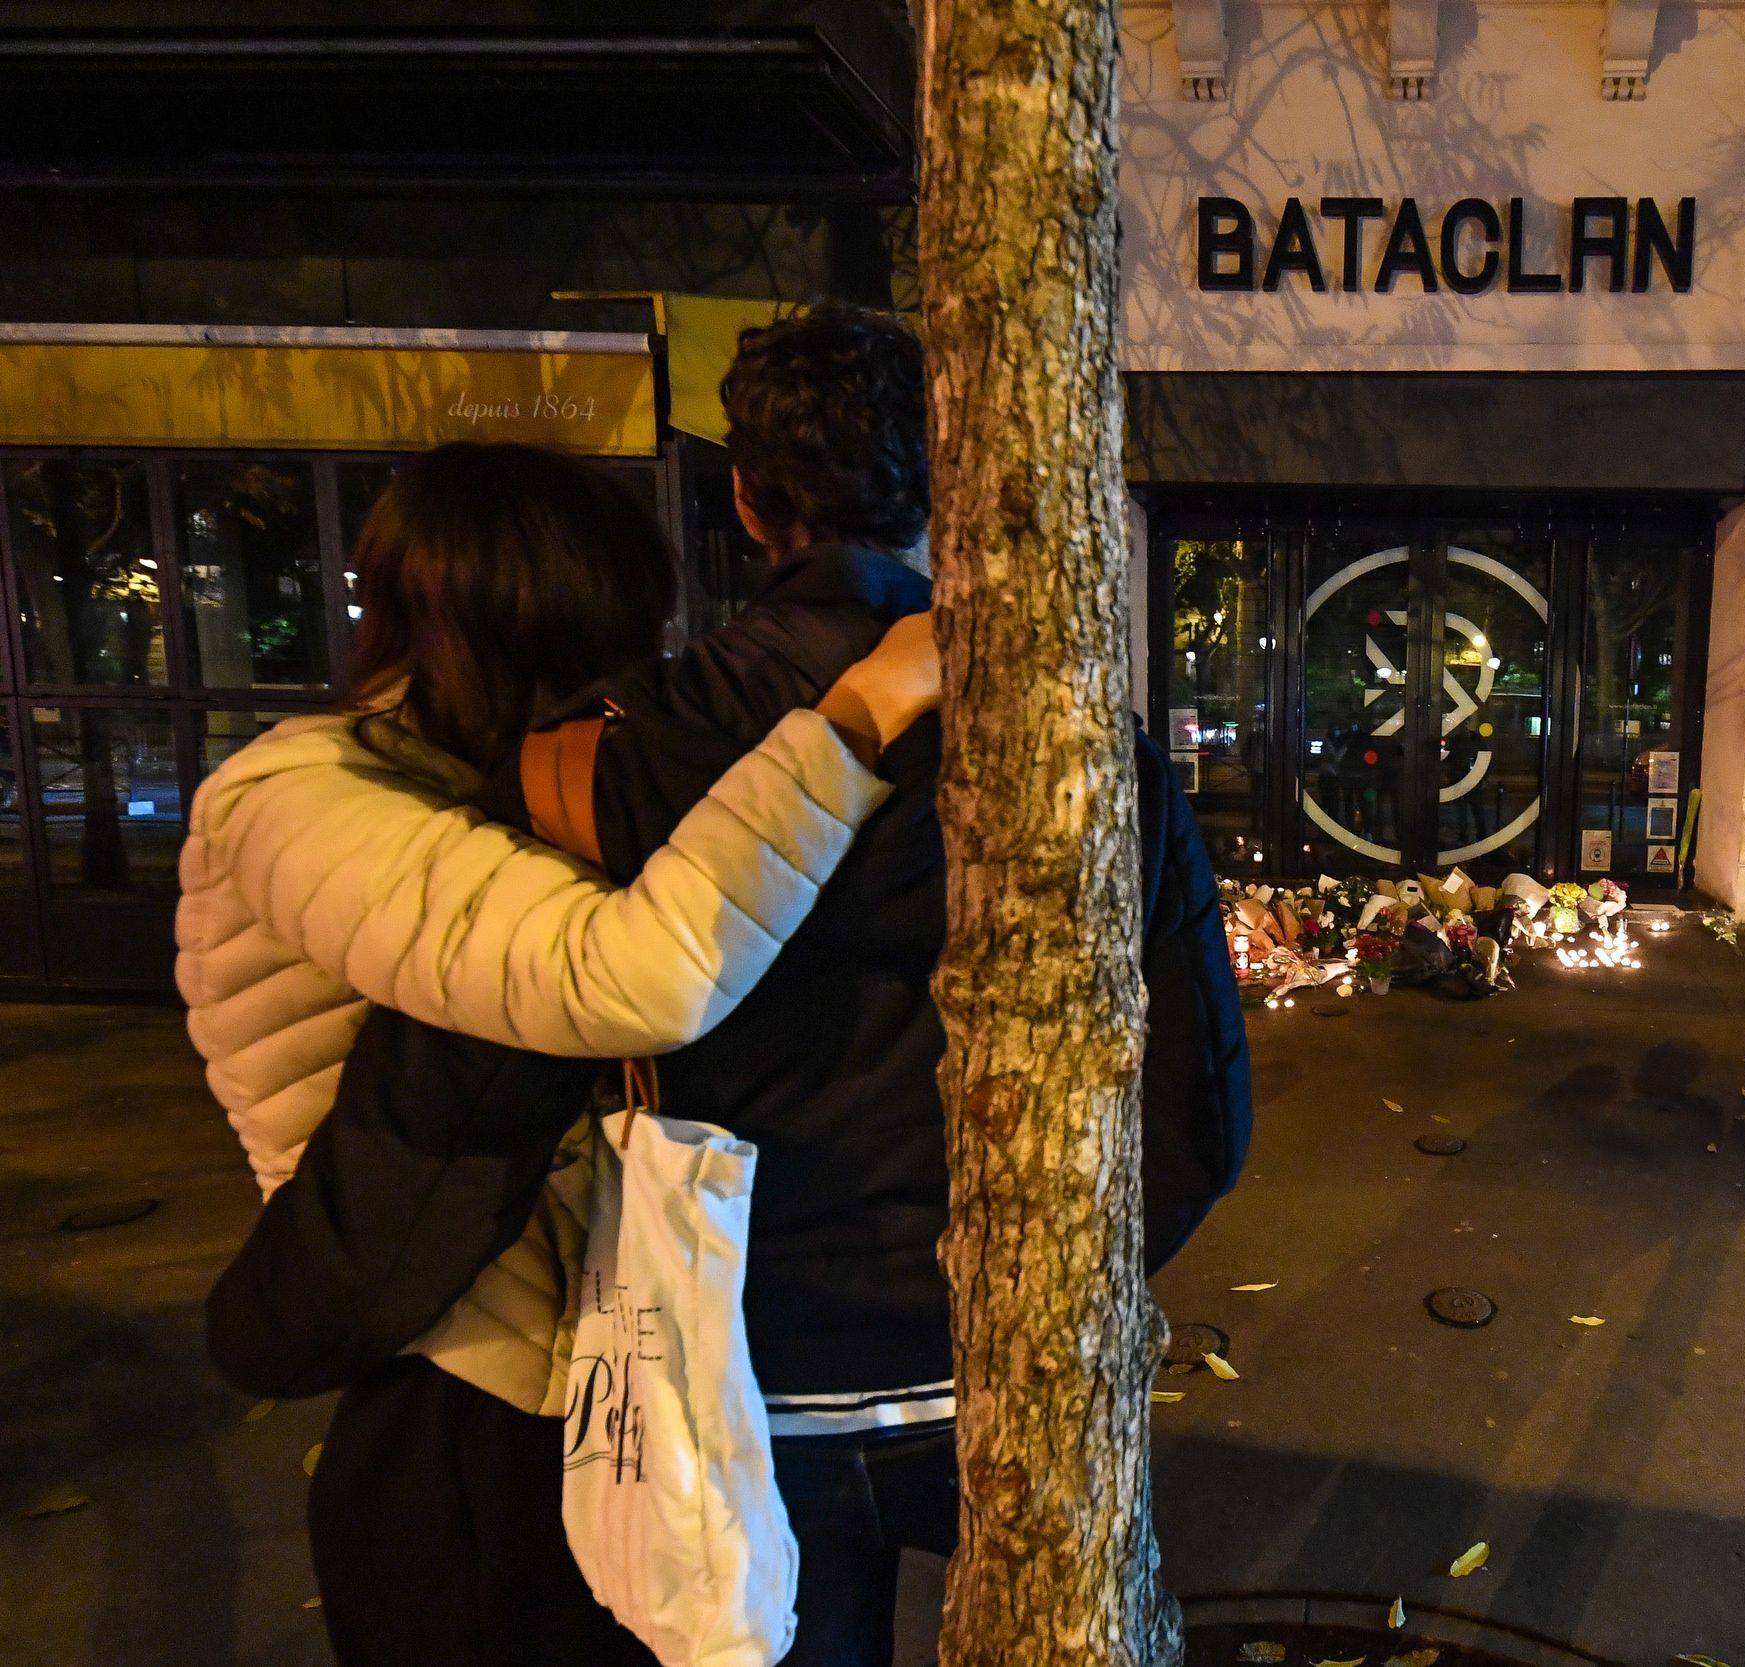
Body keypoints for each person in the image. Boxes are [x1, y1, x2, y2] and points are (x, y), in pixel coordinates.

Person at [209, 304, 1252, 1667]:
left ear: (750, 500)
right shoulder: (1081, 744)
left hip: (736, 1370)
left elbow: (542, 1059)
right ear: (947, 486)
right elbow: (1195, 1102)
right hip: (1000, 1358)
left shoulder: (596, 755)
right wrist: (1062, 1276)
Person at [183, 442, 937, 1660]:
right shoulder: (301, 799)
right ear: (526, 618)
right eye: (614, 630)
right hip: (452, 1386)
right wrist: (851, 723)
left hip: (561, 1360)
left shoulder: (456, 777)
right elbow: (634, 976)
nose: (633, 669)